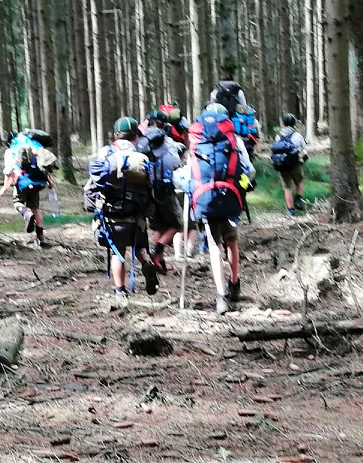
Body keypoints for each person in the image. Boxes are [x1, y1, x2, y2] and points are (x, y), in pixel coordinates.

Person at [85, 117, 158, 297]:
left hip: (112, 215)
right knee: (140, 246)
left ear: (116, 136)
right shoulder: (141, 157)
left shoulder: (106, 154)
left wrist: (93, 206)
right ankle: (146, 262)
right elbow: (150, 188)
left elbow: (92, 186)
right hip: (136, 215)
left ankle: (120, 291)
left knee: (118, 252)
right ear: (135, 137)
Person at [189, 104, 252, 313]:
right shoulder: (235, 141)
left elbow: (189, 173)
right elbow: (249, 170)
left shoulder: (196, 141)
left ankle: (221, 295)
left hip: (206, 199)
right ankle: (234, 283)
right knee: (231, 242)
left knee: (214, 246)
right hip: (230, 198)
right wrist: (243, 184)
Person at [0, 127, 57, 245]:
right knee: (36, 208)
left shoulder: (11, 151)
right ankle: (40, 238)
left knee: (17, 203)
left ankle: (26, 214)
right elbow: (45, 167)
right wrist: (50, 183)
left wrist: (5, 187)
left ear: (9, 142)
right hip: (37, 181)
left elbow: (9, 171)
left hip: (21, 181)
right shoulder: (35, 146)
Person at [140, 122, 185, 271]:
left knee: (158, 228)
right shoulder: (168, 149)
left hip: (148, 193)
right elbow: (176, 165)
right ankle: (158, 248)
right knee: (177, 225)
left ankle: (159, 262)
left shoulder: (143, 149)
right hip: (165, 192)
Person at [269, 114, 307, 216]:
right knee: (299, 181)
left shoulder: (278, 136)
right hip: (295, 163)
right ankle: (298, 198)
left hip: (282, 164)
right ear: (294, 123)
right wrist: (302, 157)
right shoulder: (297, 135)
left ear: (284, 123)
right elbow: (304, 150)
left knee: (287, 187)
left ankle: (290, 210)